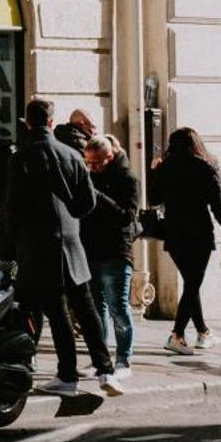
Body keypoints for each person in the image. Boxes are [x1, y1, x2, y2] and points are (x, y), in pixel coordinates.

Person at [8, 98, 120, 395]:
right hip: (71, 243)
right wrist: (70, 222)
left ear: (28, 122)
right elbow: (88, 203)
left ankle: (67, 376)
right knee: (86, 308)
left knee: (57, 313)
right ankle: (106, 371)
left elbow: (14, 209)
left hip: (39, 245)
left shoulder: (21, 158)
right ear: (51, 123)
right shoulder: (71, 154)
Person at [153, 127, 221, 354]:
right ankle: (176, 335)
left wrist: (155, 172)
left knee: (190, 284)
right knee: (192, 284)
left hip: (174, 234)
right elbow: (219, 209)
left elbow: (154, 199)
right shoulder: (205, 168)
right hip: (199, 234)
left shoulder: (165, 168)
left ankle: (203, 333)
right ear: (197, 144)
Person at [82, 135, 139, 374]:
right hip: (91, 250)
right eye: (89, 162)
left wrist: (98, 196)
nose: (93, 167)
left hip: (116, 251)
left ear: (110, 156)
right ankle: (102, 359)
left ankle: (123, 359)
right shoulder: (89, 178)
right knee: (97, 309)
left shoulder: (127, 179)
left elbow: (127, 216)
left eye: (97, 162)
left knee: (118, 307)